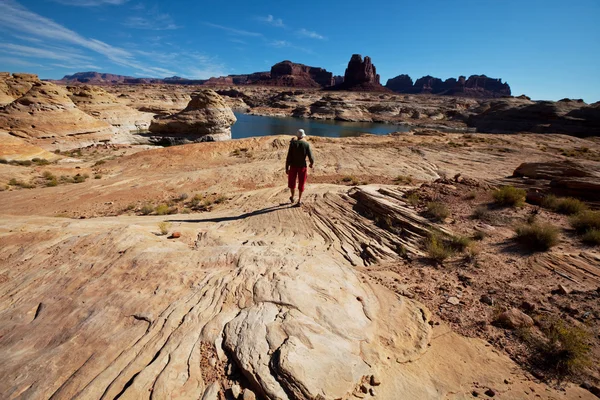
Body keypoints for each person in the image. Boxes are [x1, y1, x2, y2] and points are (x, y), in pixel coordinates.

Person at [286, 129, 314, 206]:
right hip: (302, 166)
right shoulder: (306, 144)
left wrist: (286, 167)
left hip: (293, 166)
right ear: (303, 136)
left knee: (292, 182)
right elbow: (311, 156)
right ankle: (299, 200)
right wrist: (311, 163)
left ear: (297, 136)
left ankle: (292, 197)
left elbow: (288, 157)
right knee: (301, 183)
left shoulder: (292, 144)